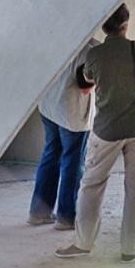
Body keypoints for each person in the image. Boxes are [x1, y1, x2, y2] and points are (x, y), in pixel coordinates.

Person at [56, 4, 135, 263]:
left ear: (104, 26)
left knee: (92, 185)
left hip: (107, 129)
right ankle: (131, 248)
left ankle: (83, 242)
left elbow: (87, 82)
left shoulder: (95, 55)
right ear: (126, 24)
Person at [27, 33, 99, 230]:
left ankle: (38, 212)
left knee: (50, 155)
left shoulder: (55, 36)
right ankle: (66, 216)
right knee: (73, 164)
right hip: (72, 114)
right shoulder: (92, 50)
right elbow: (85, 88)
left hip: (49, 107)